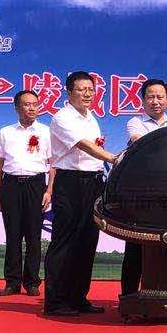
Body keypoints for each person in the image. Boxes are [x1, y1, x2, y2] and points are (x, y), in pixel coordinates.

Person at [45, 71, 120, 318]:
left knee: (87, 241)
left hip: (93, 182)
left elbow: (93, 148)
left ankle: (78, 298)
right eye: (81, 89)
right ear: (69, 92)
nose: (88, 94)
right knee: (65, 241)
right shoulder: (62, 117)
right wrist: (112, 158)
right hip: (70, 183)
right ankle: (56, 301)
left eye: (91, 89)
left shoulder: (91, 117)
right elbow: (83, 145)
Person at [0, 90, 52, 297]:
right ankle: (12, 282)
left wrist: (49, 190)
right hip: (11, 185)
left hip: (36, 185)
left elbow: (53, 164)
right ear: (17, 107)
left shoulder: (46, 131)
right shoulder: (5, 132)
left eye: (35, 104)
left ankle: (32, 282)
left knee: (34, 236)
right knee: (13, 235)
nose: (32, 108)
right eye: (27, 104)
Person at [120, 78, 167, 296]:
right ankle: (128, 296)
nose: (155, 101)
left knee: (163, 244)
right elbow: (141, 142)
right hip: (140, 193)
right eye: (150, 97)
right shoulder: (135, 122)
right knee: (135, 245)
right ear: (143, 100)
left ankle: (160, 294)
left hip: (166, 194)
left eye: (160, 97)